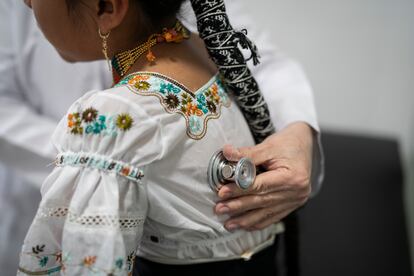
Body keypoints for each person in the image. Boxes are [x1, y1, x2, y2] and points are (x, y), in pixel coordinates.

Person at [0, 0, 323, 275]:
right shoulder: (206, 47)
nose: (27, 2)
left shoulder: (110, 117)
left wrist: (101, 144)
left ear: (107, 7)